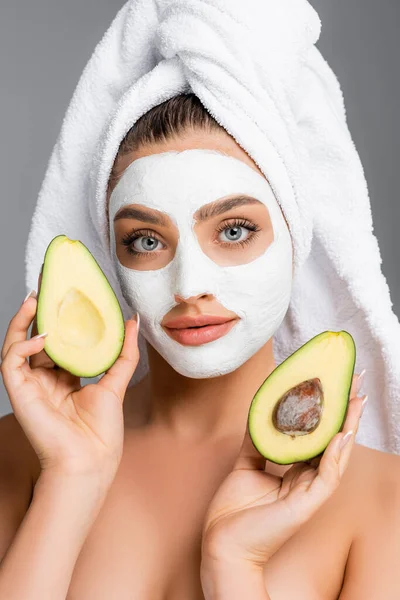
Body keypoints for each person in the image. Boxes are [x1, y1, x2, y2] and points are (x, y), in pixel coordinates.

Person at [1, 93, 400, 600]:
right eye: (146, 240)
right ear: (110, 254)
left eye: (234, 231)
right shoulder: (20, 455)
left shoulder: (386, 498)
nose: (189, 286)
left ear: (296, 239)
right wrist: (71, 480)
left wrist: (235, 567)